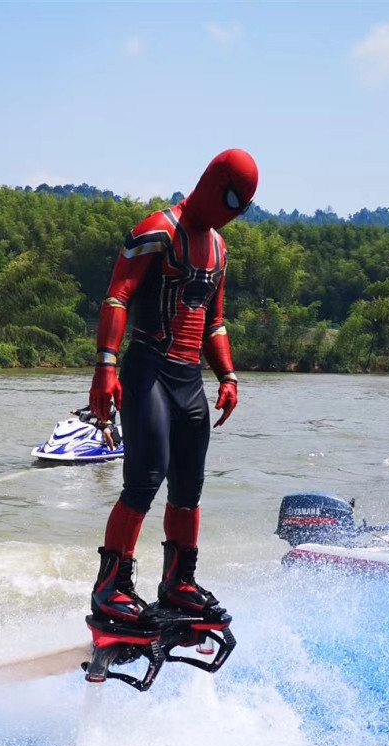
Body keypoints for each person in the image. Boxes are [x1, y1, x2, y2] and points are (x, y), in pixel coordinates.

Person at [87, 148, 259, 629]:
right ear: (210, 180)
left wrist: (227, 376)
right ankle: (111, 589)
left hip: (189, 381)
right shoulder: (157, 230)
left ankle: (178, 584)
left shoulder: (220, 249)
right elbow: (118, 295)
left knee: (189, 488)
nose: (232, 209)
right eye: (229, 196)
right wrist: (106, 365)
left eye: (241, 205)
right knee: (145, 479)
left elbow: (215, 321)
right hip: (148, 370)